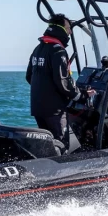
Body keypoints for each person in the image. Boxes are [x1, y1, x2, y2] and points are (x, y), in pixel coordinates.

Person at [25, 14, 95, 152]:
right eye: (69, 28)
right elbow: (64, 82)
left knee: (48, 145)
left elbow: (29, 77)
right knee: (61, 144)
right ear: (61, 28)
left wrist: (45, 89)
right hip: (54, 110)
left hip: (39, 108)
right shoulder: (58, 51)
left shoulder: (38, 49)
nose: (70, 32)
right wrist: (82, 95)